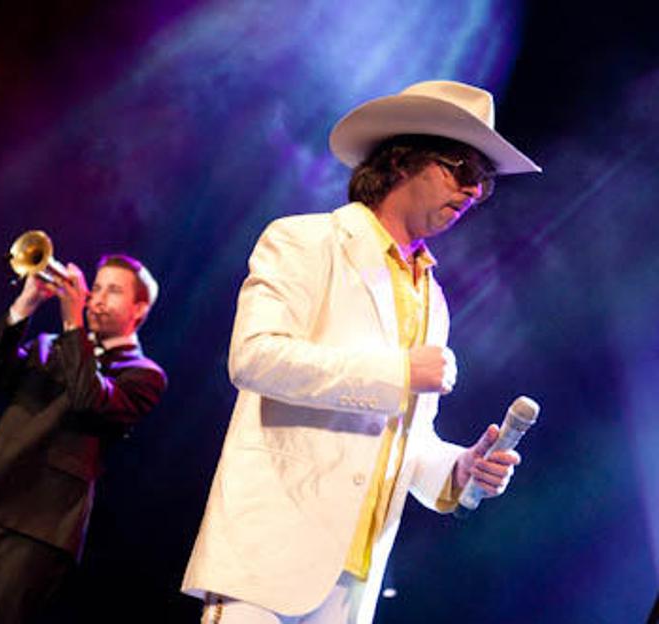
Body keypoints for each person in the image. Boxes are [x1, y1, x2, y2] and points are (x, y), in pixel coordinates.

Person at [181, 80, 541, 623]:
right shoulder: (305, 241)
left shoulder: (432, 297)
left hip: (352, 581)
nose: (472, 190)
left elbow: (407, 439)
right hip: (269, 555)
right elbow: (254, 357)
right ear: (401, 161)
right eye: (462, 169)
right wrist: (398, 373)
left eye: (484, 182)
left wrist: (458, 470)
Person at [0, 253, 167, 624]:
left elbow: (89, 398)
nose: (97, 298)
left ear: (139, 309)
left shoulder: (144, 374)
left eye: (113, 291)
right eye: (95, 288)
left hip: (38, 524)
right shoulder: (51, 345)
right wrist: (25, 304)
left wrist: (73, 324)